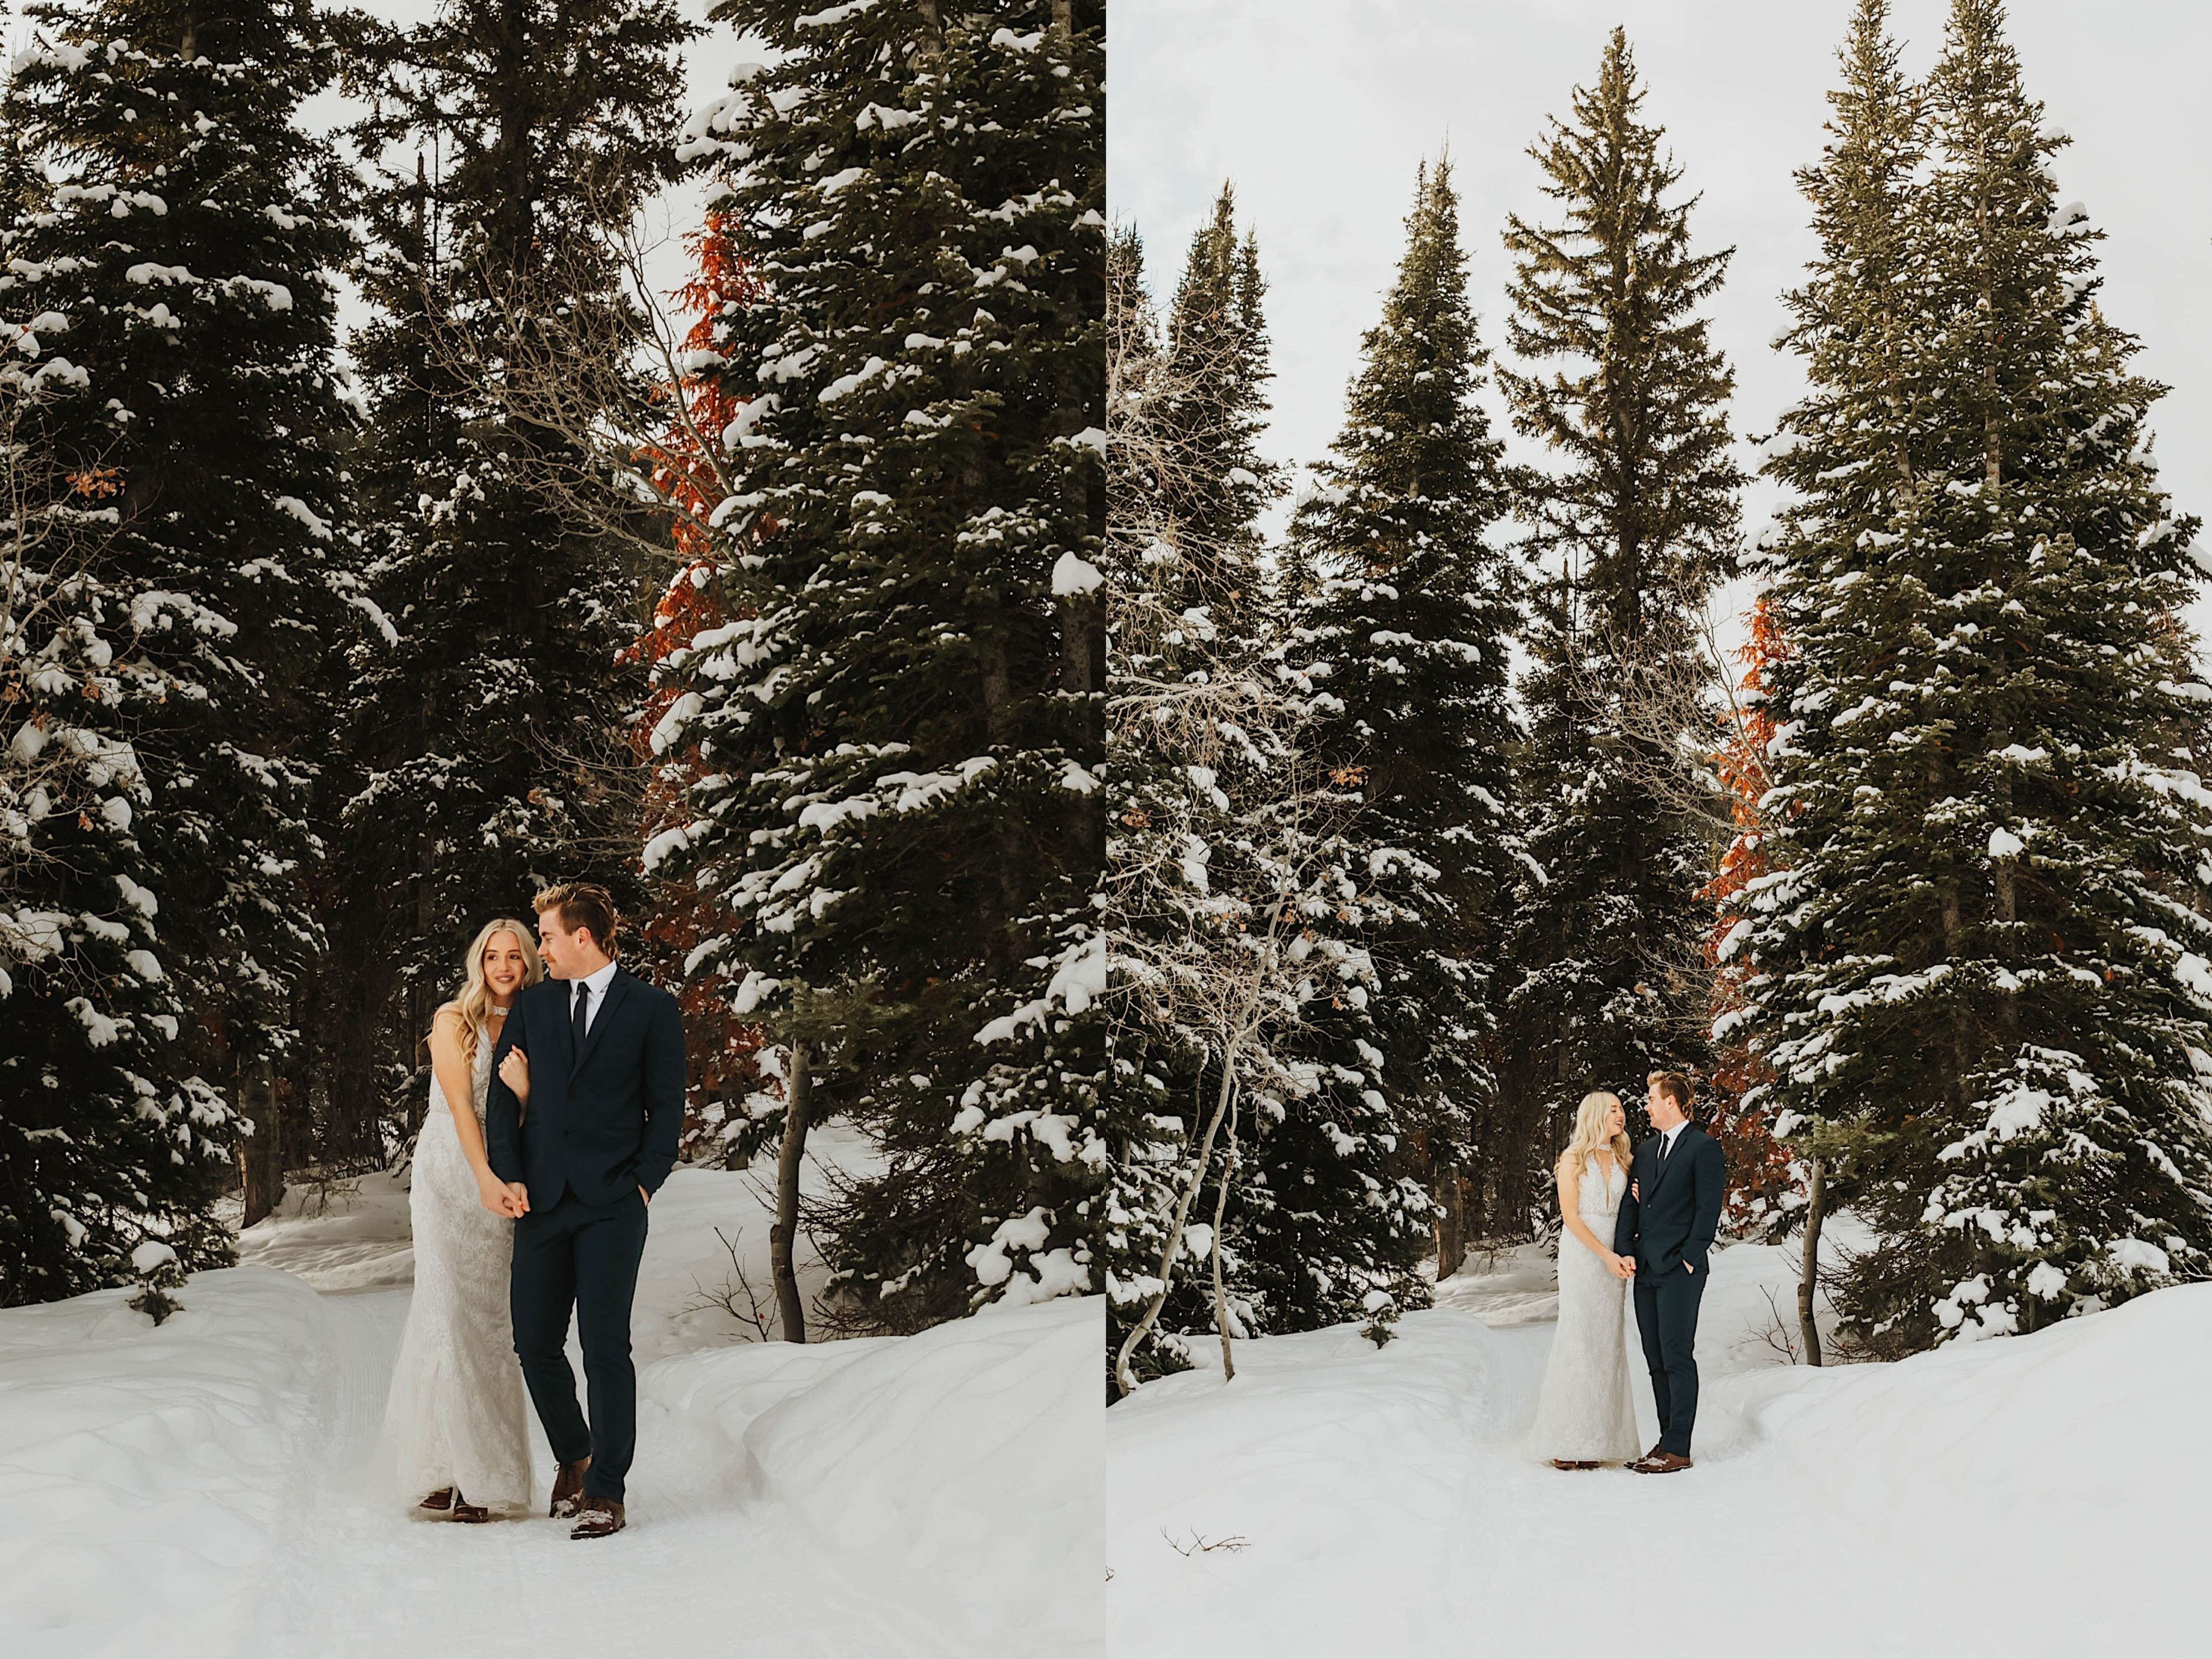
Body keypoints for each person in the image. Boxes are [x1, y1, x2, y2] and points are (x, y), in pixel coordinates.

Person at [485, 882, 686, 1541]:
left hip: (612, 1204)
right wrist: (508, 1172)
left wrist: (644, 1183)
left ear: (582, 936)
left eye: (545, 935)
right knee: (534, 1341)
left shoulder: (652, 1009)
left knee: (605, 1347)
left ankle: (606, 1491)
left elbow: (667, 1108)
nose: (537, 947)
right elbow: (500, 1099)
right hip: (540, 1200)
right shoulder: (534, 1006)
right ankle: (575, 1454)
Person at [374, 919, 542, 1520]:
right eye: (492, 955)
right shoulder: (453, 1020)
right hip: (452, 1174)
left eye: (514, 956)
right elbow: (461, 1107)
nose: (502, 966)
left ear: (528, 962)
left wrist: (524, 1096)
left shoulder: (539, 1019)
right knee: (443, 1310)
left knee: (487, 1323)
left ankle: (482, 1477)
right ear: (480, 962)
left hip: (505, 1178)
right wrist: (482, 1177)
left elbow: (541, 1111)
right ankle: (439, 1470)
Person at [1611, 1070, 1727, 1473]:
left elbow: (1708, 1210)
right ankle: (1664, 1443)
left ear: (1672, 1102)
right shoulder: (1645, 1151)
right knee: (1655, 1358)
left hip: (1681, 1270)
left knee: (1678, 1356)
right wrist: (1625, 1250)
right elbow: (1632, 1205)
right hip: (1645, 1269)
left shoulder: (1704, 1148)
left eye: (1652, 1100)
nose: (1647, 1106)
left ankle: (1680, 1448)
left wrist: (1689, 1257)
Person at [1526, 1091, 1642, 1469]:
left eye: (1622, 1110)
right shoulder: (1573, 1158)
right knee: (1579, 1339)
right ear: (1594, 1115)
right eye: (1613, 1110)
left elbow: (1630, 1207)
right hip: (1584, 1253)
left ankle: (1599, 1441)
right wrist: (1605, 1255)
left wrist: (1639, 1202)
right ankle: (1567, 1440)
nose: (1621, 1115)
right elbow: (1572, 1218)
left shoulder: (1626, 1159)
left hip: (1617, 1255)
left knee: (1608, 1343)